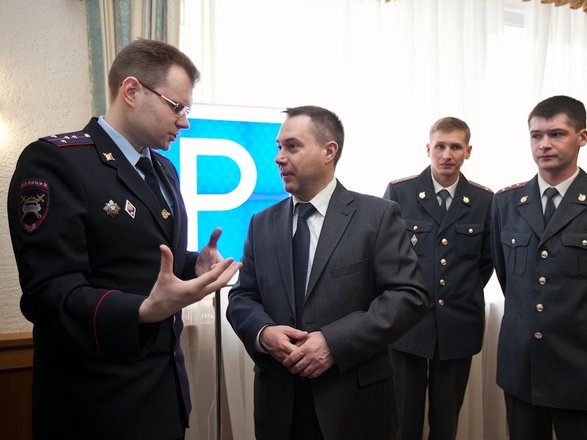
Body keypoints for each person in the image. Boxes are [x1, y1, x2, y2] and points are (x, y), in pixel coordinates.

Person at [7, 39, 242, 440]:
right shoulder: (58, 161)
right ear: (132, 91)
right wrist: (141, 311)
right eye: (177, 107)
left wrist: (193, 264)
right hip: (96, 404)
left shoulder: (164, 169)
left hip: (163, 394)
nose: (184, 122)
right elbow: (48, 293)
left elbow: (141, 257)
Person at [226, 105, 429, 440]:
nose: (279, 158)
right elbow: (242, 297)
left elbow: (409, 296)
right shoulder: (261, 224)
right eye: (278, 147)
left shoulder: (377, 216)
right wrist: (264, 333)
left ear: (329, 151)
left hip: (354, 404)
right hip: (279, 406)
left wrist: (334, 343)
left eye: (292, 146)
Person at [491, 95, 587, 439]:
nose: (544, 144)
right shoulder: (505, 203)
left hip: (585, 367)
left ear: (582, 137)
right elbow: (508, 279)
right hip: (524, 365)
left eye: (557, 134)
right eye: (536, 135)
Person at [384, 116, 493, 439]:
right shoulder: (400, 192)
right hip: (408, 324)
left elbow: (486, 262)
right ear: (428, 148)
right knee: (404, 421)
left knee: (446, 422)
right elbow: (386, 256)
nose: (447, 154)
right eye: (440, 146)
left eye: (455, 147)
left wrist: (460, 292)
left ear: (468, 151)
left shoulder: (485, 200)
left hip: (458, 324)